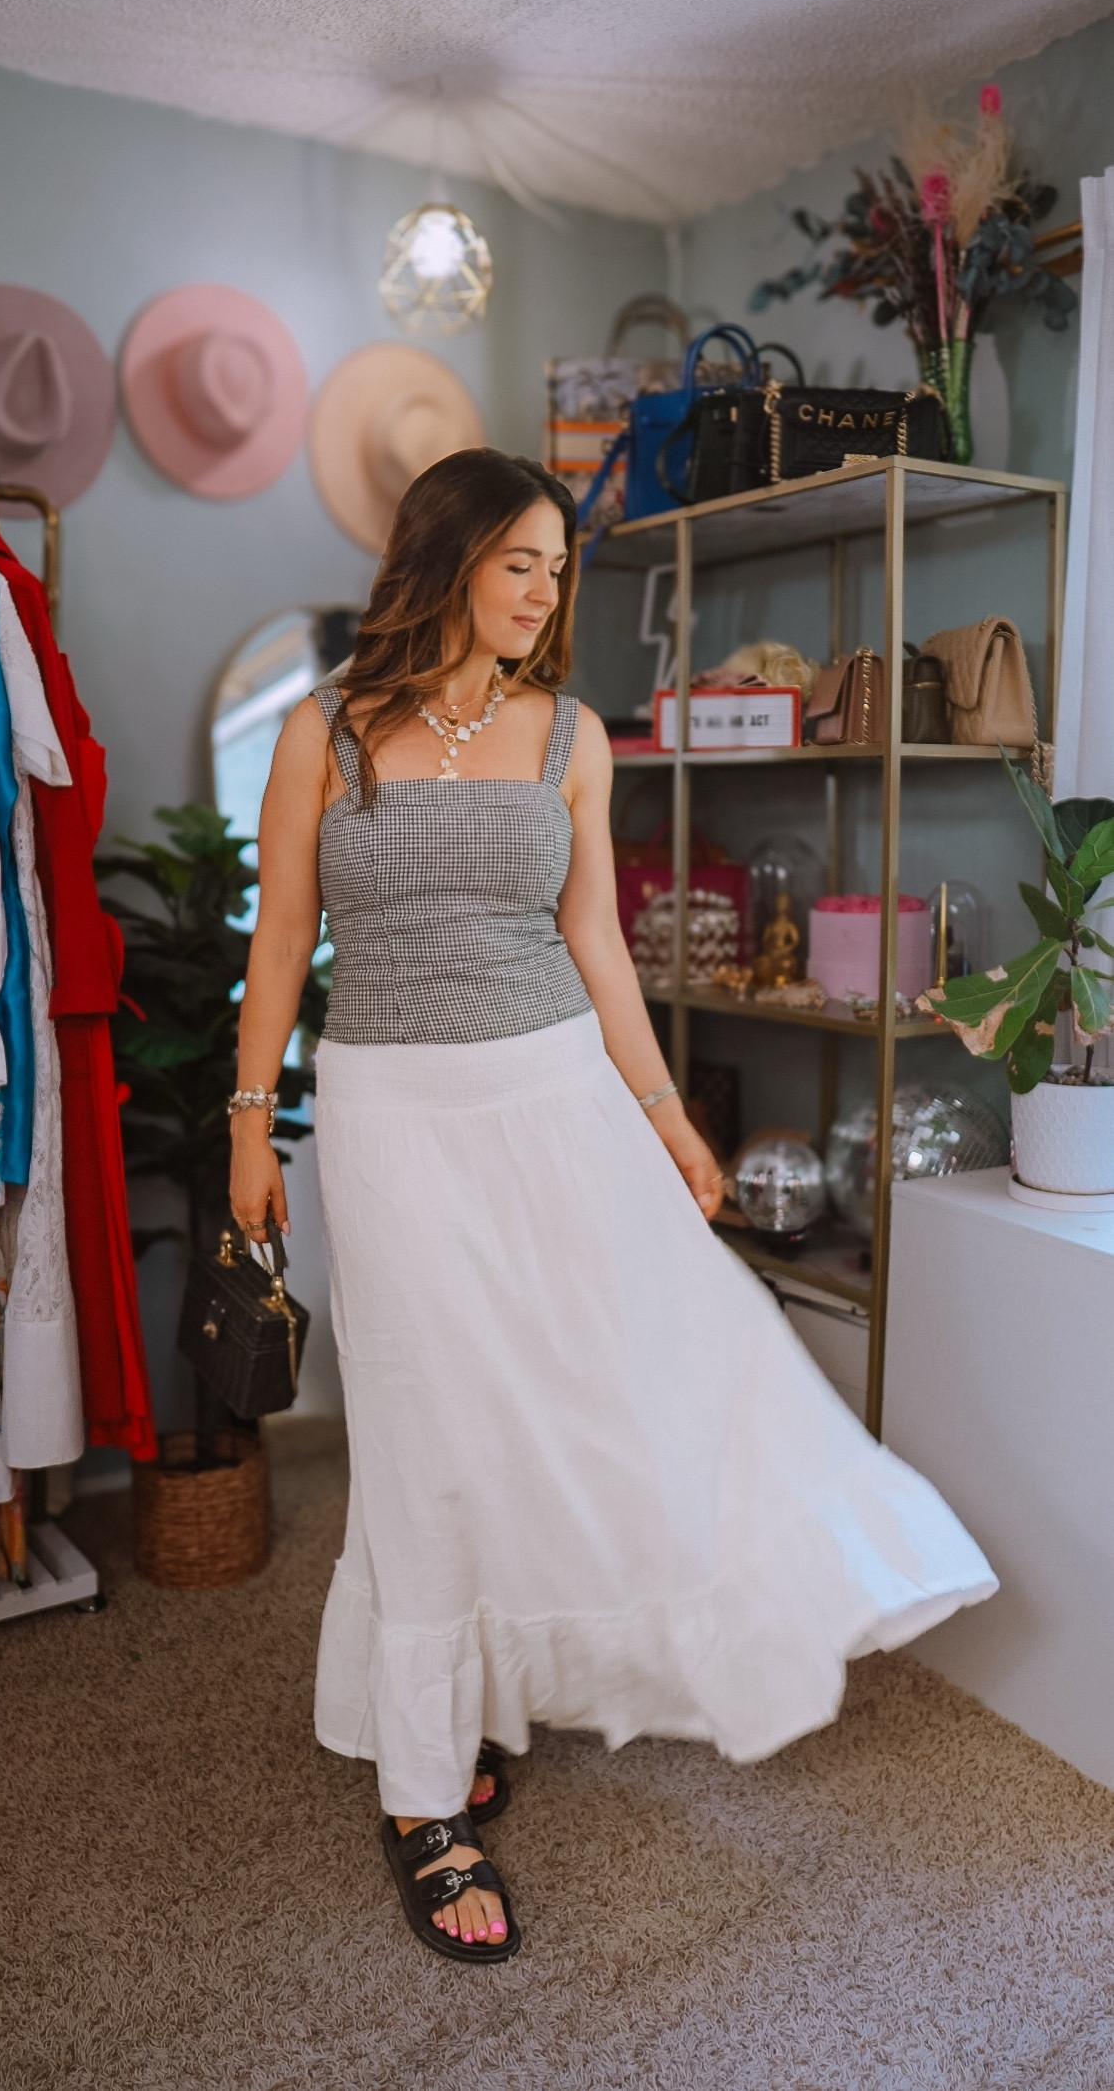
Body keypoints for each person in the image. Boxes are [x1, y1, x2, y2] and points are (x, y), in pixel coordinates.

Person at [229, 447, 995, 1964]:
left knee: (604, 1388)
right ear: (447, 556)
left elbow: (596, 940)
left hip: (556, 1096)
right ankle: (425, 1794)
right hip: (388, 1115)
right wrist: (250, 1124)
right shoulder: (326, 732)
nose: (544, 590)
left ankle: (473, 1692)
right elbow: (285, 940)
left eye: (558, 567)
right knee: (422, 1422)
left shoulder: (574, 734)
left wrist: (666, 1121)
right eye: (522, 559)